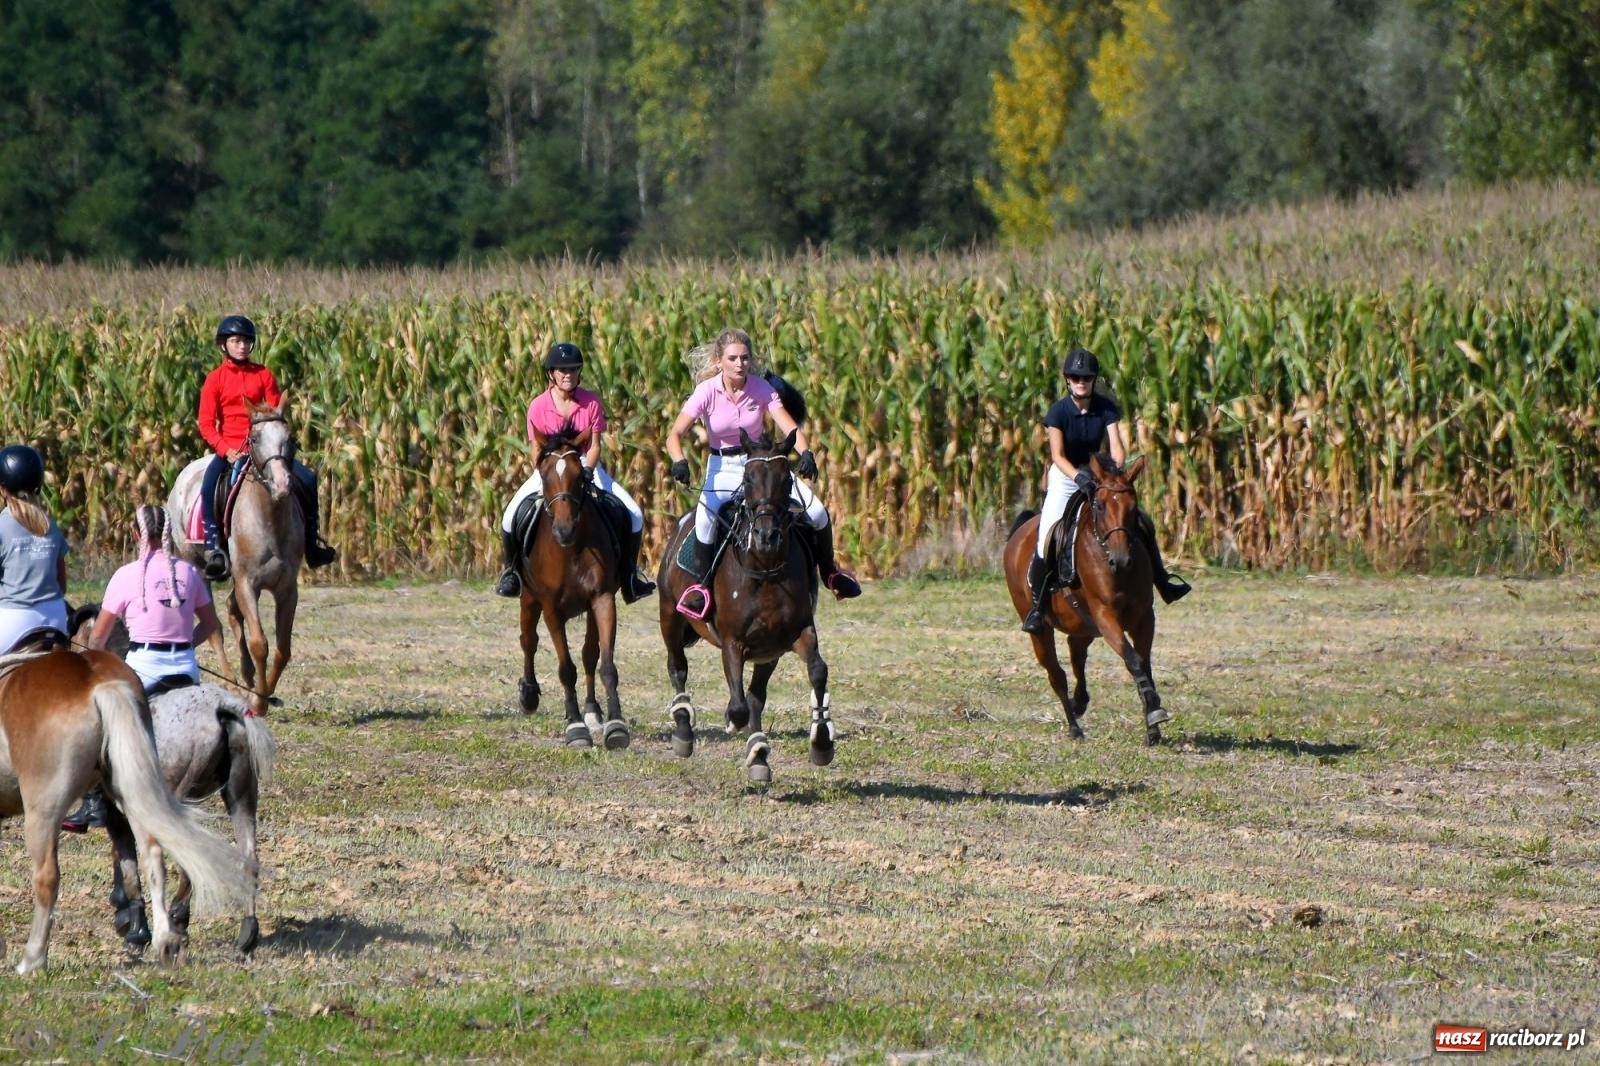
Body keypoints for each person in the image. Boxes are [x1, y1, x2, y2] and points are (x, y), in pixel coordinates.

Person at [664, 327, 860, 619]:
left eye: (744, 358)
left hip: (761, 464)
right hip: (723, 467)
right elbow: (674, 434)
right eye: (732, 358)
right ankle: (702, 589)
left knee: (818, 512)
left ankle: (830, 573)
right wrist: (679, 460)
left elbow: (790, 427)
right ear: (719, 361)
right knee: (704, 522)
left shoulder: (761, 388)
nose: (740, 364)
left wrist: (806, 453)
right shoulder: (706, 392)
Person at [63, 503, 223, 834]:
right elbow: (210, 624)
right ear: (168, 533)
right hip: (186, 668)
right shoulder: (189, 573)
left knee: (101, 728)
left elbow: (100, 636)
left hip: (144, 667)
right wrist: (184, 645)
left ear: (136, 534)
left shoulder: (126, 576)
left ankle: (93, 803)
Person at [1021, 347, 1190, 635]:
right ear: (1067, 380)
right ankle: (1038, 608)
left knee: (1140, 522)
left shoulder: (1106, 408)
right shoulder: (1058, 412)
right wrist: (1078, 478)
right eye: (1075, 377)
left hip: (1101, 474)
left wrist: (1113, 475)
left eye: (1086, 377)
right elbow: (1058, 455)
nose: (1081, 381)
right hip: (1065, 476)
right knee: (1047, 533)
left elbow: (1117, 449)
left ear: (1093, 379)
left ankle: (1162, 581)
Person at [495, 342, 657, 603]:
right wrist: (545, 472)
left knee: (635, 513)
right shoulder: (538, 406)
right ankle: (512, 573)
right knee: (509, 515)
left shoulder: (591, 402)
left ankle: (629, 577)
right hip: (549, 467)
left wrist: (587, 470)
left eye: (572, 369)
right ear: (551, 373)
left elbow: (594, 445)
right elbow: (535, 447)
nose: (567, 374)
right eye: (561, 370)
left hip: (582, 464)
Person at [198, 314, 337, 581]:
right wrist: (225, 449)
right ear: (224, 344)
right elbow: (206, 424)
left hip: (265, 449)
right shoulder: (215, 379)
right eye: (236, 341)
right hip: (231, 449)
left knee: (307, 478)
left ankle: (311, 543)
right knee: (208, 486)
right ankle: (214, 547)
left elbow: (276, 412)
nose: (242, 346)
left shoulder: (263, 374)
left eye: (247, 342)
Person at [0, 444, 70, 653]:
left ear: (3, 488)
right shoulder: (51, 526)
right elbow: (62, 584)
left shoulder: (1, 526)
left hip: (15, 621)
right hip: (56, 619)